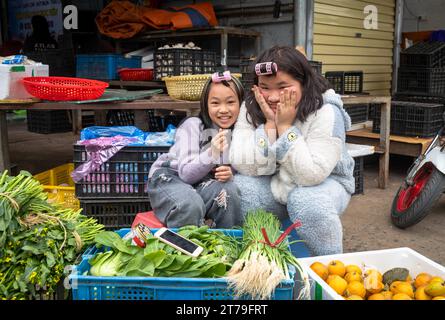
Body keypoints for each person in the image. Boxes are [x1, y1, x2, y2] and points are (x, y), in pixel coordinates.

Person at [230, 46, 355, 256]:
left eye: (283, 87)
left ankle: (329, 265)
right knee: (241, 188)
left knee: (307, 201)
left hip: (327, 183)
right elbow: (240, 160)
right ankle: (260, 259)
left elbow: (311, 174)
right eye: (265, 87)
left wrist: (286, 129)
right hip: (277, 182)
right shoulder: (252, 106)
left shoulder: (326, 110)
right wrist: (270, 125)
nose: (272, 97)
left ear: (303, 82)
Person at [147, 71, 244, 228]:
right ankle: (186, 250)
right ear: (205, 105)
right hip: (172, 176)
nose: (224, 110)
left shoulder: (241, 133)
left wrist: (230, 173)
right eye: (215, 103)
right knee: (189, 205)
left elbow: (241, 169)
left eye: (231, 102)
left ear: (241, 104)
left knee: (229, 192)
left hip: (203, 182)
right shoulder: (192, 125)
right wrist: (212, 152)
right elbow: (186, 175)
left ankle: (225, 246)